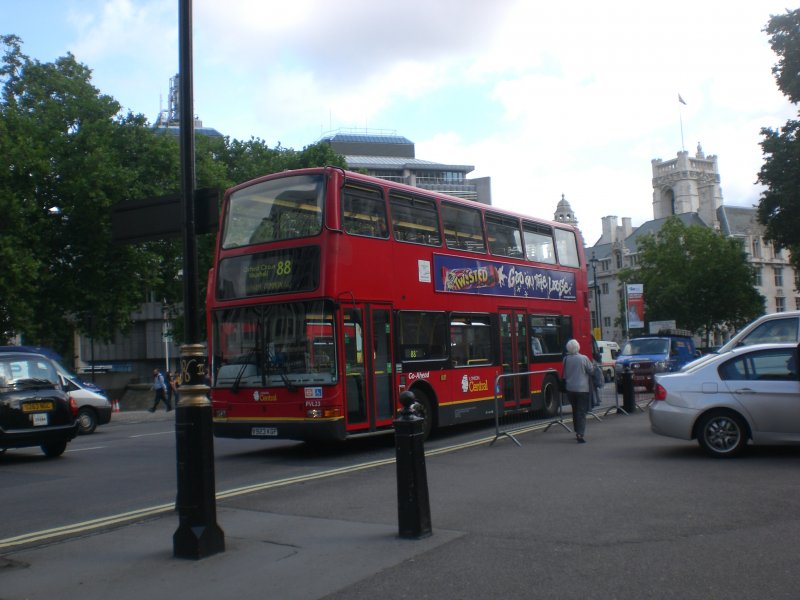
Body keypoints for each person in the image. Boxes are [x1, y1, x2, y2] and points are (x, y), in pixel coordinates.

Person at [563, 339, 594, 443]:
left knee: (575, 410)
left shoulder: (566, 359)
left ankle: (576, 429)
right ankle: (580, 434)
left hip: (570, 389)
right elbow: (591, 370)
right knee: (581, 412)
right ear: (578, 347)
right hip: (582, 389)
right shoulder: (583, 358)